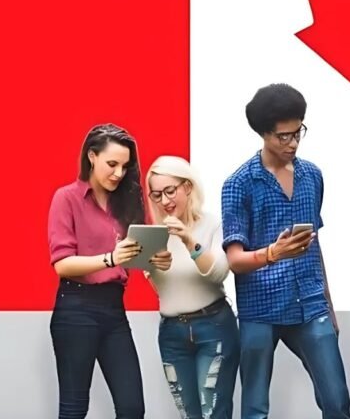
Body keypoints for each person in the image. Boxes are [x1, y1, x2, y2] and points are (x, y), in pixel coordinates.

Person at [221, 83, 350, 419]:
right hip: (259, 311)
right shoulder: (239, 184)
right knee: (254, 409)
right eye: (284, 136)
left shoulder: (312, 176)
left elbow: (314, 244)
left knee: (337, 402)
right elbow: (234, 260)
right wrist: (273, 254)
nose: (293, 143)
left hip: (310, 305)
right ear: (263, 134)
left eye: (298, 133)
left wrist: (329, 305)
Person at [47, 123, 172, 419]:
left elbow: (133, 260)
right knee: (74, 409)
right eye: (112, 164)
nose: (118, 173)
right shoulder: (66, 198)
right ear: (92, 156)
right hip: (76, 308)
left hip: (114, 310)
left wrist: (155, 261)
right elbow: (62, 264)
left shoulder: (127, 203)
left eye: (124, 166)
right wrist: (110, 258)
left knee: (131, 408)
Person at [145, 155, 239, 419]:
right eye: (156, 195)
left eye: (170, 191)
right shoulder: (153, 234)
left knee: (214, 413)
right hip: (171, 332)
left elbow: (219, 274)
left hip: (213, 327)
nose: (164, 201)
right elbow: (165, 292)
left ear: (187, 187)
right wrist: (150, 266)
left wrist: (188, 240)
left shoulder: (212, 224)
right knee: (189, 414)